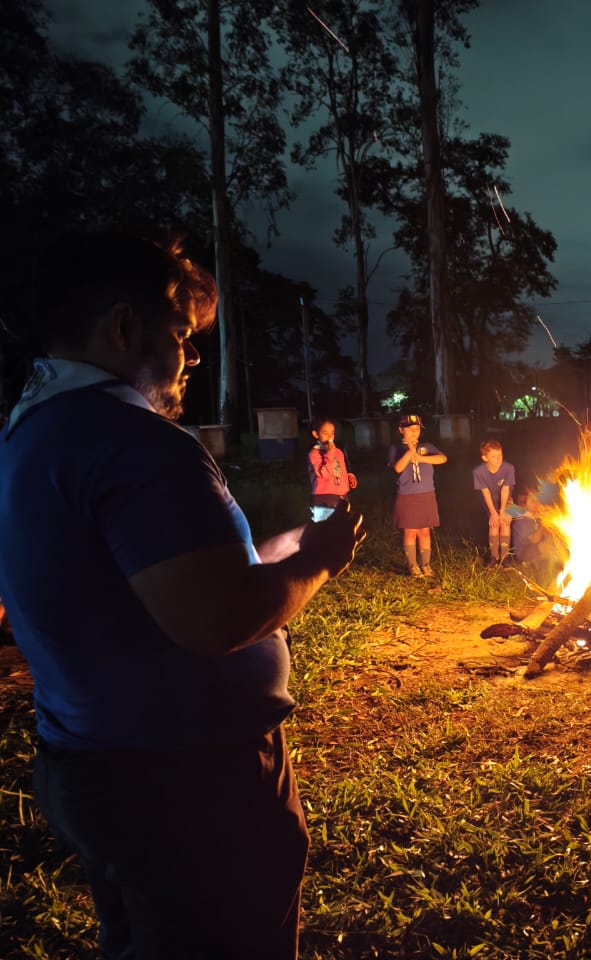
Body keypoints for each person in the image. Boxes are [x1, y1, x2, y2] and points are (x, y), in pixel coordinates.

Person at [0, 231, 365, 959]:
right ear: (123, 327)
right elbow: (216, 618)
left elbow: (166, 582)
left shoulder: (36, 430)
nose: (193, 355)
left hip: (105, 766)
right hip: (187, 784)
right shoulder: (135, 442)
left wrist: (276, 552)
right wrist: (320, 563)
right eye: (180, 333)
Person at [389, 413, 447, 578]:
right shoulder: (396, 449)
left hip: (426, 494)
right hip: (407, 496)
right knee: (410, 532)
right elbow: (398, 468)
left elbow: (443, 458)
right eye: (410, 429)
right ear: (401, 430)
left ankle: (426, 565)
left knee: (425, 531)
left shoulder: (427, 447)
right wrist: (410, 452)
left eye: (417, 429)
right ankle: (413, 565)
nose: (414, 432)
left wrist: (420, 457)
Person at [473, 439, 516, 565]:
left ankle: (504, 556)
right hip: (490, 500)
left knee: (505, 522)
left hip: (506, 499)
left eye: (500, 455)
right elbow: (485, 492)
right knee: (494, 523)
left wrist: (503, 510)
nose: (498, 459)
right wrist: (493, 512)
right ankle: (494, 556)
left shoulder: (508, 468)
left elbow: (506, 489)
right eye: (494, 456)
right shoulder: (478, 472)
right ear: (485, 458)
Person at [307, 416, 357, 522]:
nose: (330, 437)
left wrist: (348, 478)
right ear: (316, 434)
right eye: (325, 433)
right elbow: (323, 475)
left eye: (332, 433)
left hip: (342, 496)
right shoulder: (314, 454)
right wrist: (329, 454)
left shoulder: (338, 452)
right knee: (324, 530)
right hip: (324, 498)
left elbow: (339, 470)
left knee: (342, 528)